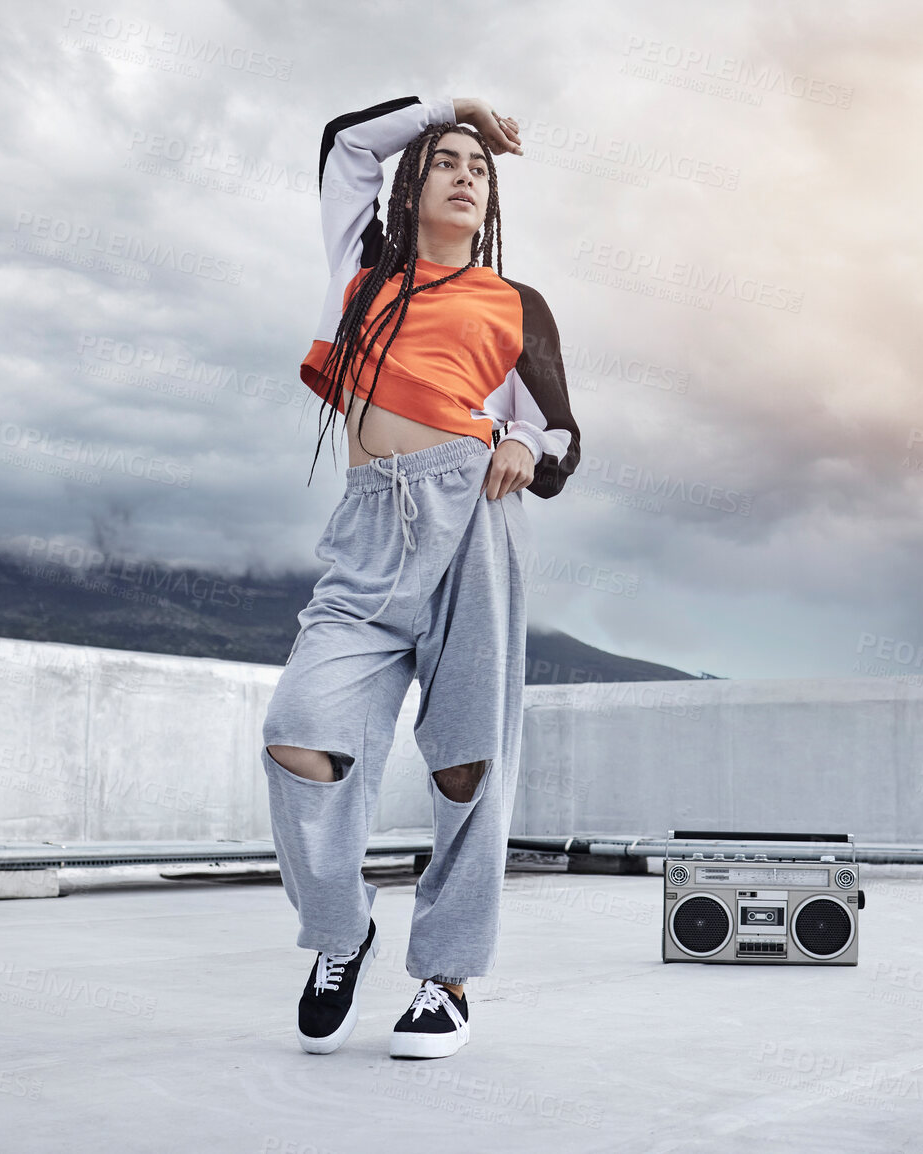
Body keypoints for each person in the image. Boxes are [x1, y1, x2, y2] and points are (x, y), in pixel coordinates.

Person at [261, 93, 581, 1060]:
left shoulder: (517, 306)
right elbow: (342, 141)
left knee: (466, 762)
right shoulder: (363, 273)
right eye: (445, 161)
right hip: (370, 527)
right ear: (411, 185)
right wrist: (453, 110)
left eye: (478, 169)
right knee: (299, 733)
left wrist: (524, 437)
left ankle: (444, 980)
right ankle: (340, 928)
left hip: (473, 523)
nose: (464, 174)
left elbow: (562, 437)